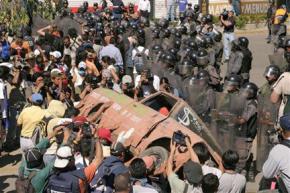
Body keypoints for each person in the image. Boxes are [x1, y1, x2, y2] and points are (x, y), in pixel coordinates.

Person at [262, 114, 290, 192]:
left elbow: (267, 174)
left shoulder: (278, 150)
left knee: (264, 187)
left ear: (282, 130)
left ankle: (272, 189)